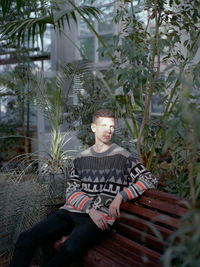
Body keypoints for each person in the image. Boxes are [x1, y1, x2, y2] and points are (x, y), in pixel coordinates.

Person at [10, 109, 158, 267]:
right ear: (93, 127)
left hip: (100, 218)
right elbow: (72, 190)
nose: (109, 130)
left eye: (112, 126)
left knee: (70, 248)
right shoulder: (81, 158)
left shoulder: (123, 157)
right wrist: (90, 209)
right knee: (26, 238)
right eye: (104, 125)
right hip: (73, 211)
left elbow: (149, 179)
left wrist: (121, 195)